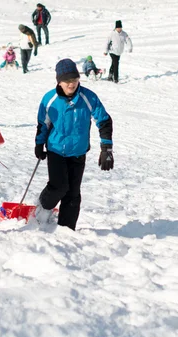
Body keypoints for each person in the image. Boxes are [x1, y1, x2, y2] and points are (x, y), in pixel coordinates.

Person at [34, 59, 114, 230]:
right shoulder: (50, 99)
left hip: (78, 151)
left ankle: (66, 229)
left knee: (73, 194)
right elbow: (43, 124)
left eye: (75, 80)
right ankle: (42, 208)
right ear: (59, 82)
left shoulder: (88, 97)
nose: (71, 84)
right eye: (67, 81)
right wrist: (39, 144)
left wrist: (106, 148)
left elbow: (104, 121)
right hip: (56, 149)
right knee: (58, 187)